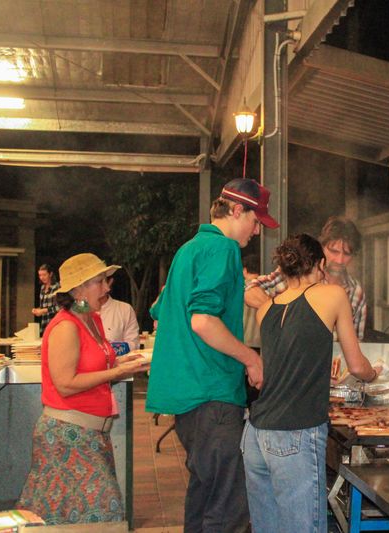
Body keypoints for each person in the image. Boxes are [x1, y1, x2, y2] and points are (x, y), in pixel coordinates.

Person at [146, 178, 278, 533]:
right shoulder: (223, 249)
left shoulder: (189, 249)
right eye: (255, 221)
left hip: (187, 399)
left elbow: (159, 310)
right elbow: (203, 320)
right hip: (212, 395)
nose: (256, 231)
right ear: (236, 210)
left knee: (204, 496)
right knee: (229, 508)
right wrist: (252, 359)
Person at [241, 234, 379, 533]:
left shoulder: (266, 308)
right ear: (320, 264)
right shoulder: (333, 294)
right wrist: (374, 375)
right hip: (295, 433)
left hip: (255, 434)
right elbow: (357, 366)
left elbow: (285, 365)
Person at [17, 253, 149, 525]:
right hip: (67, 435)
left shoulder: (92, 320)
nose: (107, 287)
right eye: (100, 281)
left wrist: (124, 361)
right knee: (103, 514)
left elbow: (96, 363)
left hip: (89, 434)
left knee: (76, 520)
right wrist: (117, 371)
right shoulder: (66, 325)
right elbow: (66, 384)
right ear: (78, 290)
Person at [245, 216, 367, 339]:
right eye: (334, 251)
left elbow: (357, 341)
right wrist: (281, 314)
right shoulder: (297, 273)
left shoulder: (356, 291)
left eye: (347, 254)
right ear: (322, 247)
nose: (340, 260)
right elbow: (249, 290)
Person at [98, 274, 140, 354]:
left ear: (109, 282)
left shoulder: (125, 309)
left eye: (100, 281)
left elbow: (134, 344)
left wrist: (108, 350)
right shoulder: (78, 313)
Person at [32, 263, 60, 336]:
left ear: (50, 274)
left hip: (55, 324)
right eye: (40, 275)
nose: (42, 277)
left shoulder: (57, 287)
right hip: (45, 323)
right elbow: (43, 307)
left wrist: (44, 310)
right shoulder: (42, 288)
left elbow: (60, 307)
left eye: (44, 275)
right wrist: (38, 310)